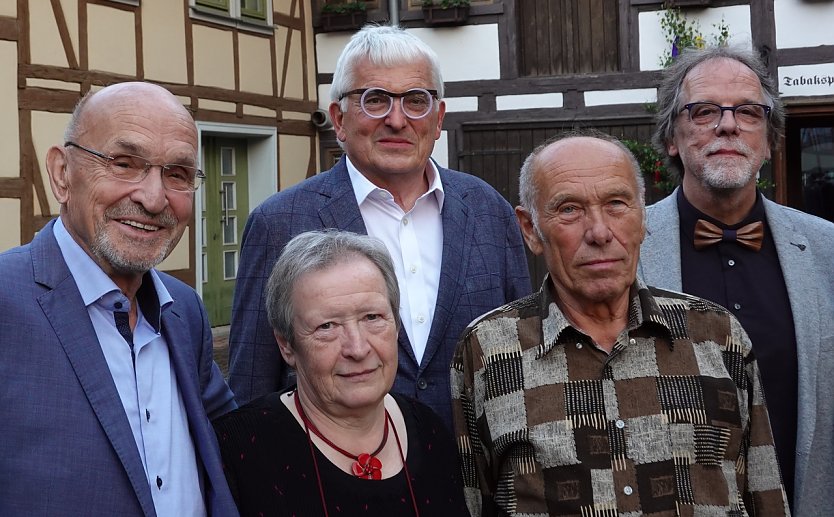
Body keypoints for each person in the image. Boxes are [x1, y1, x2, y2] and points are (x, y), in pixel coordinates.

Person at [451, 132, 789, 516]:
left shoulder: (716, 335)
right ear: (530, 229)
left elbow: (764, 494)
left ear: (642, 217)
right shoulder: (488, 351)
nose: (599, 232)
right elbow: (471, 501)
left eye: (616, 204)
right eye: (569, 209)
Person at [228, 24, 530, 427]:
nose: (397, 119)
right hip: (334, 462)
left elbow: (522, 351)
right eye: (375, 100)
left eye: (416, 100)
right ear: (339, 119)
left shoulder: (488, 209)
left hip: (475, 461)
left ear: (438, 118)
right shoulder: (279, 222)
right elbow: (252, 385)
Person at [0, 82, 238, 516]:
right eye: (124, 164)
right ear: (61, 174)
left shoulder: (184, 309)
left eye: (178, 174)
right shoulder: (6, 303)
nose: (154, 198)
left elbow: (231, 441)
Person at [638, 45, 834, 515]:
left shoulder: (827, 249)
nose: (728, 125)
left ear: (769, 141)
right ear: (672, 138)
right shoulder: (626, 249)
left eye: (747, 112)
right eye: (704, 111)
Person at [214, 230, 469, 517]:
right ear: (286, 345)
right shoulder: (237, 450)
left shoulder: (430, 431)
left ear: (397, 326)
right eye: (327, 326)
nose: (357, 349)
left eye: (372, 317)